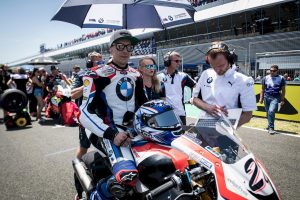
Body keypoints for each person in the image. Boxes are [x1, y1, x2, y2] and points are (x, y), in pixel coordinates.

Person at [77, 30, 147, 200]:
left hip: (132, 130)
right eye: (120, 46)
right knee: (127, 176)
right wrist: (112, 133)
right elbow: (83, 113)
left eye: (129, 47)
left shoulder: (136, 75)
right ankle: (96, 195)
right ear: (111, 49)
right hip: (105, 131)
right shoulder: (95, 74)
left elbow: (143, 105)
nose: (125, 50)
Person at [191, 42, 257, 127]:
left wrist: (225, 130)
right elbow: (194, 99)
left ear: (230, 59)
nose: (217, 70)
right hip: (203, 125)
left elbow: (247, 115)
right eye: (213, 66)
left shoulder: (244, 81)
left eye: (221, 65)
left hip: (226, 129)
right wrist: (207, 107)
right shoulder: (206, 74)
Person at [71, 53, 103, 160]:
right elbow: (73, 94)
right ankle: (78, 169)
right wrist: (88, 84)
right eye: (98, 61)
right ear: (89, 62)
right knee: (84, 146)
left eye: (101, 61)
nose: (101, 63)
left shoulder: (105, 74)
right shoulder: (81, 75)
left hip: (102, 116)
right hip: (86, 116)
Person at [157, 51, 196, 125]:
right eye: (176, 61)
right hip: (165, 113)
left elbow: (196, 86)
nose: (179, 63)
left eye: (180, 61)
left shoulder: (183, 76)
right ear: (167, 62)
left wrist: (194, 98)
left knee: (183, 135)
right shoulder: (158, 77)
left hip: (180, 112)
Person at [259, 65, 286, 134]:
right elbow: (262, 89)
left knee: (271, 111)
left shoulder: (281, 78)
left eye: (274, 71)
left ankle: (271, 127)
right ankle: (269, 126)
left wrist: (282, 100)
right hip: (266, 97)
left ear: (277, 71)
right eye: (271, 70)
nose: (272, 72)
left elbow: (283, 90)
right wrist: (261, 98)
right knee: (268, 113)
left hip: (276, 97)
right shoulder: (265, 78)